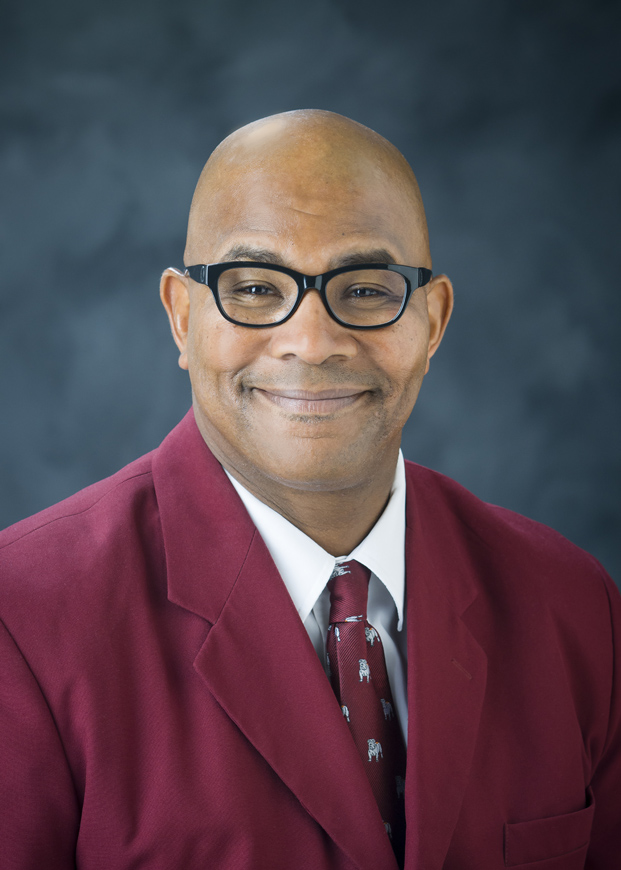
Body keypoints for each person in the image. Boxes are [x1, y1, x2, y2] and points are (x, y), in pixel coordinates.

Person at [1, 110, 619, 870]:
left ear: (432, 321)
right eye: (256, 287)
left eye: (364, 289)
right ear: (181, 317)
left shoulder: (572, 605)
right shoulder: (21, 620)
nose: (312, 340)